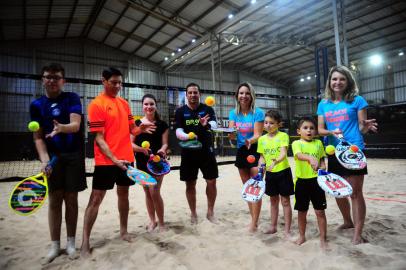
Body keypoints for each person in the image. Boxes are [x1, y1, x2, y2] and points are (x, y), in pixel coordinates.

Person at [81, 67, 155, 257]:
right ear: (103, 81)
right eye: (114, 82)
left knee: (124, 195)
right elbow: (99, 138)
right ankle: (85, 242)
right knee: (96, 199)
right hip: (106, 161)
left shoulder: (124, 104)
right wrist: (114, 159)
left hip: (127, 159)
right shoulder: (96, 104)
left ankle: (123, 231)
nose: (117, 86)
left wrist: (141, 127)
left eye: (120, 83)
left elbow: (132, 130)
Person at [30, 63, 87, 263]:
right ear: (43, 80)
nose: (52, 80)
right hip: (53, 156)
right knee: (54, 200)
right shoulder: (36, 105)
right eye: (48, 77)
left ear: (63, 80)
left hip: (73, 154)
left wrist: (61, 127)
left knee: (71, 199)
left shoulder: (71, 98)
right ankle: (55, 245)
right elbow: (38, 138)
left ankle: (70, 243)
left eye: (56, 77)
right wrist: (45, 160)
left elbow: (76, 125)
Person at [317, 65, 378, 245]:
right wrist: (331, 133)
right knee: (338, 191)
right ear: (330, 82)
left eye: (342, 79)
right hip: (334, 151)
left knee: (355, 193)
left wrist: (365, 128)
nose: (338, 82)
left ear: (348, 81)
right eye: (334, 79)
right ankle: (347, 221)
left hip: (353, 151)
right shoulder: (323, 104)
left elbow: (361, 126)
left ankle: (357, 234)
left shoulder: (357, 101)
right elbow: (320, 129)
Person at [175, 82, 218, 224]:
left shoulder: (207, 109)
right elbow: (178, 130)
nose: (193, 95)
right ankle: (193, 214)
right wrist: (187, 136)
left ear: (199, 94)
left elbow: (214, 125)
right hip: (188, 152)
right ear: (186, 95)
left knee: (211, 182)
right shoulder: (180, 111)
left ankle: (210, 212)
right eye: (190, 93)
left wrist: (206, 124)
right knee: (190, 184)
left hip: (206, 151)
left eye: (195, 92)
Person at [228, 82, 264, 232]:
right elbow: (231, 135)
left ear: (251, 96)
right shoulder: (233, 113)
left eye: (247, 93)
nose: (244, 96)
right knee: (247, 187)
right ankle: (253, 219)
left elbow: (258, 134)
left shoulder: (258, 112)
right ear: (237, 96)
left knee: (256, 186)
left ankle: (254, 222)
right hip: (241, 151)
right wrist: (231, 134)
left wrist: (250, 140)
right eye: (241, 93)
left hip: (255, 149)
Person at [131, 94, 169, 232]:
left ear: (156, 106)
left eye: (151, 104)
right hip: (141, 162)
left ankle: (162, 223)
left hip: (158, 163)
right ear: (142, 106)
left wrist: (162, 149)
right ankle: (153, 221)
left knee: (155, 191)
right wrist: (142, 149)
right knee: (147, 192)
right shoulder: (136, 124)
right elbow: (130, 144)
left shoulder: (162, 124)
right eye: (146, 104)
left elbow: (165, 144)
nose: (149, 107)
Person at [291, 117, 328, 249]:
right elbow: (299, 155)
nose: (309, 130)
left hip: (317, 182)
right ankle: (302, 236)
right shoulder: (296, 143)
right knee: (302, 212)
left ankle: (323, 238)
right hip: (301, 183)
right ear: (298, 131)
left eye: (312, 128)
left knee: (320, 212)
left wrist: (323, 167)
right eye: (305, 128)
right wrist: (310, 158)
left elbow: (322, 160)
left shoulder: (318, 143)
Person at [257, 110, 293, 238]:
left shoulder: (283, 136)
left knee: (285, 201)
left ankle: (287, 230)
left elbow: (283, 153)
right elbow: (261, 157)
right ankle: (273, 227)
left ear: (279, 124)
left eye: (271, 123)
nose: (268, 125)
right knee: (273, 201)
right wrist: (261, 168)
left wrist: (276, 161)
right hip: (270, 174)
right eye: (266, 122)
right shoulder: (261, 139)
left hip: (283, 172)